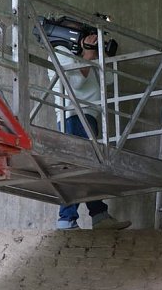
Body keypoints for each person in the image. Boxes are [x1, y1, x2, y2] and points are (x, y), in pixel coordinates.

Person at [51, 31, 131, 230]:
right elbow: (76, 82)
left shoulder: (90, 56)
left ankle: (99, 216)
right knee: (76, 168)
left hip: (90, 116)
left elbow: (110, 80)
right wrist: (88, 54)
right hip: (72, 116)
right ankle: (67, 219)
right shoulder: (60, 51)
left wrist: (103, 55)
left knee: (91, 168)